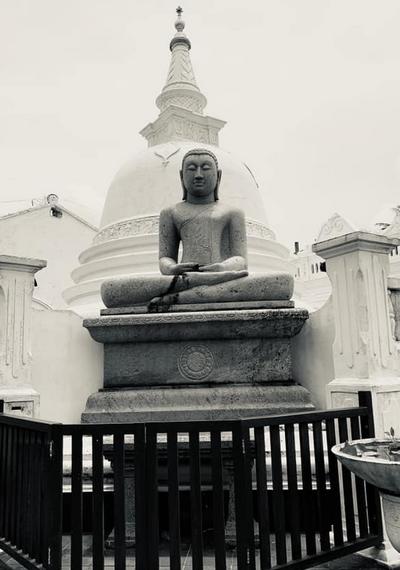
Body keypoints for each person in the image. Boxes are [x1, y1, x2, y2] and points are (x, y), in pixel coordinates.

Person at [101, 148, 293, 308]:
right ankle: (200, 293)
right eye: (192, 169)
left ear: (218, 175)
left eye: (205, 168)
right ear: (181, 176)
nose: (199, 175)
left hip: (223, 277)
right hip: (184, 279)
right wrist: (172, 268)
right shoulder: (171, 212)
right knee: (111, 290)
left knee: (283, 283)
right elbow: (165, 258)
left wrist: (221, 268)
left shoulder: (233, 212)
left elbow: (241, 260)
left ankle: (180, 298)